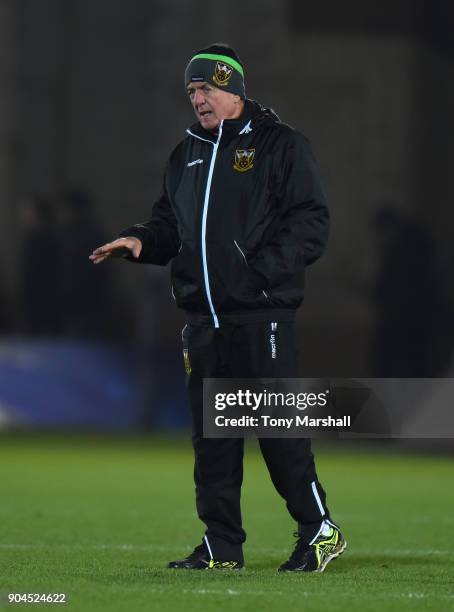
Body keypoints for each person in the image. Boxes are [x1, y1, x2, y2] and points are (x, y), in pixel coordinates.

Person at [90, 43, 346, 572]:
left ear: (234, 90)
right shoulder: (186, 154)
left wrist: (256, 274)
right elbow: (170, 226)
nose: (198, 100)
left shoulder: (281, 146)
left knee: (279, 435)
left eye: (206, 89)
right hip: (203, 324)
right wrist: (140, 240)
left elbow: (310, 224)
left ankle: (319, 529)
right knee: (213, 445)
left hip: (261, 317)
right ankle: (222, 545)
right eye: (191, 92)